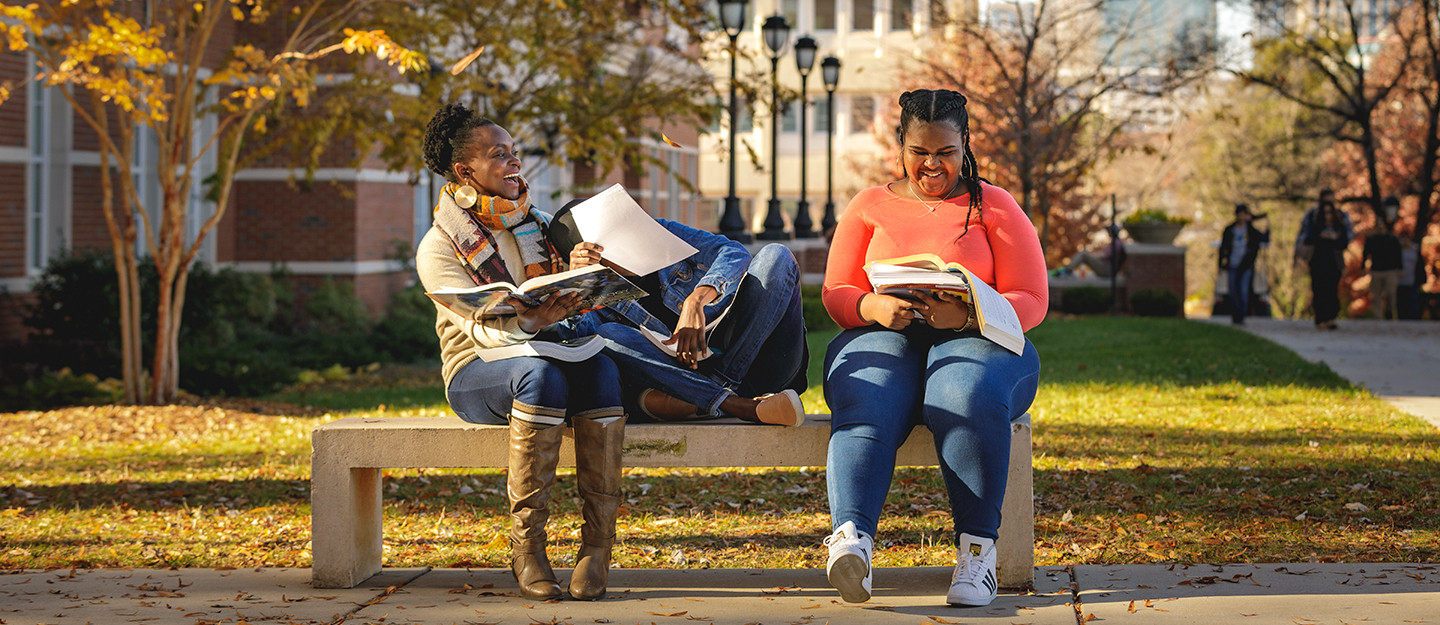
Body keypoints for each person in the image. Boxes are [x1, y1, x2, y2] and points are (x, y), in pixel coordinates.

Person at [819, 89, 1046, 608]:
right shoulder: (870, 204)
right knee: (868, 392)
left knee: (964, 392)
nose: (932, 164)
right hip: (885, 335)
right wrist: (874, 308)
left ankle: (976, 554)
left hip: (977, 341)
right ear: (901, 145)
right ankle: (852, 541)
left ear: (964, 144)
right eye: (920, 152)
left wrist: (966, 314)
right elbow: (836, 291)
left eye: (945, 152)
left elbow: (1031, 298)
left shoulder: (995, 205)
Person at [415, 103, 626, 601]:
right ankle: (527, 548)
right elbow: (480, 325)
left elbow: (572, 291)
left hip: (554, 353)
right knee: (539, 376)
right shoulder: (440, 245)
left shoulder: (541, 223)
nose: (515, 164)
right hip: (477, 371)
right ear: (465, 171)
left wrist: (578, 269)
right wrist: (530, 319)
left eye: (515, 153)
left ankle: (597, 547)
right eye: (500, 156)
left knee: (601, 368)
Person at [552, 202, 809, 426]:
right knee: (607, 335)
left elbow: (733, 251)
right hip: (691, 377)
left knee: (777, 255)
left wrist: (696, 299)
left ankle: (720, 393)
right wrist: (581, 283)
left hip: (761, 361)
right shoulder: (601, 299)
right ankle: (734, 402)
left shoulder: (657, 232)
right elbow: (561, 333)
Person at [1218, 203, 1270, 324]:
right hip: (1232, 265)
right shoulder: (1230, 230)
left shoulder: (1251, 231)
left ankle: (1241, 316)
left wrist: (1267, 227)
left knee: (1243, 291)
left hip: (1246, 266)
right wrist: (1221, 264)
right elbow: (1223, 248)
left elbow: (1263, 239)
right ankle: (1235, 315)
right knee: (1233, 292)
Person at [1306, 200, 1350, 330]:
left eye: (1330, 212)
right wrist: (1321, 236)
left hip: (1334, 264)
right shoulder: (1315, 226)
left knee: (1332, 291)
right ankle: (1320, 318)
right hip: (1318, 264)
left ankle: (1331, 317)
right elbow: (1307, 240)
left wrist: (1334, 238)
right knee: (1319, 291)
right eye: (1325, 212)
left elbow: (1344, 243)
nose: (1327, 215)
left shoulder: (1339, 227)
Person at [1295, 188, 1354, 268]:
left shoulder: (1341, 216)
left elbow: (1347, 238)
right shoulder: (1312, 216)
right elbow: (1305, 237)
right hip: (1317, 259)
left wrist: (1335, 237)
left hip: (1335, 260)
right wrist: (1320, 236)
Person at [1362, 207, 1403, 320]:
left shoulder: (1392, 239)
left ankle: (1389, 312)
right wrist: (1363, 266)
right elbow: (1365, 253)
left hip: (1390, 270)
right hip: (1376, 269)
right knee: (1376, 295)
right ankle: (1378, 317)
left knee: (1391, 293)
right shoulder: (1371, 239)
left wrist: (1400, 267)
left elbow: (1398, 254)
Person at [1062, 225, 1126, 279]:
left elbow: (1105, 255)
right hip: (1104, 267)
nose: (1108, 232)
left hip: (1107, 270)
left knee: (1084, 254)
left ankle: (1067, 271)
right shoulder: (1113, 243)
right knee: (1084, 254)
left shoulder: (1117, 243)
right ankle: (1068, 269)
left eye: (1109, 231)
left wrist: (1094, 257)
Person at [1398, 230, 1421, 320]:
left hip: (1412, 281)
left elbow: (1420, 266)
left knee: (1412, 301)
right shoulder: (1397, 251)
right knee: (1401, 302)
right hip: (1399, 281)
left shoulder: (1415, 250)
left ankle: (1414, 319)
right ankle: (1402, 319)